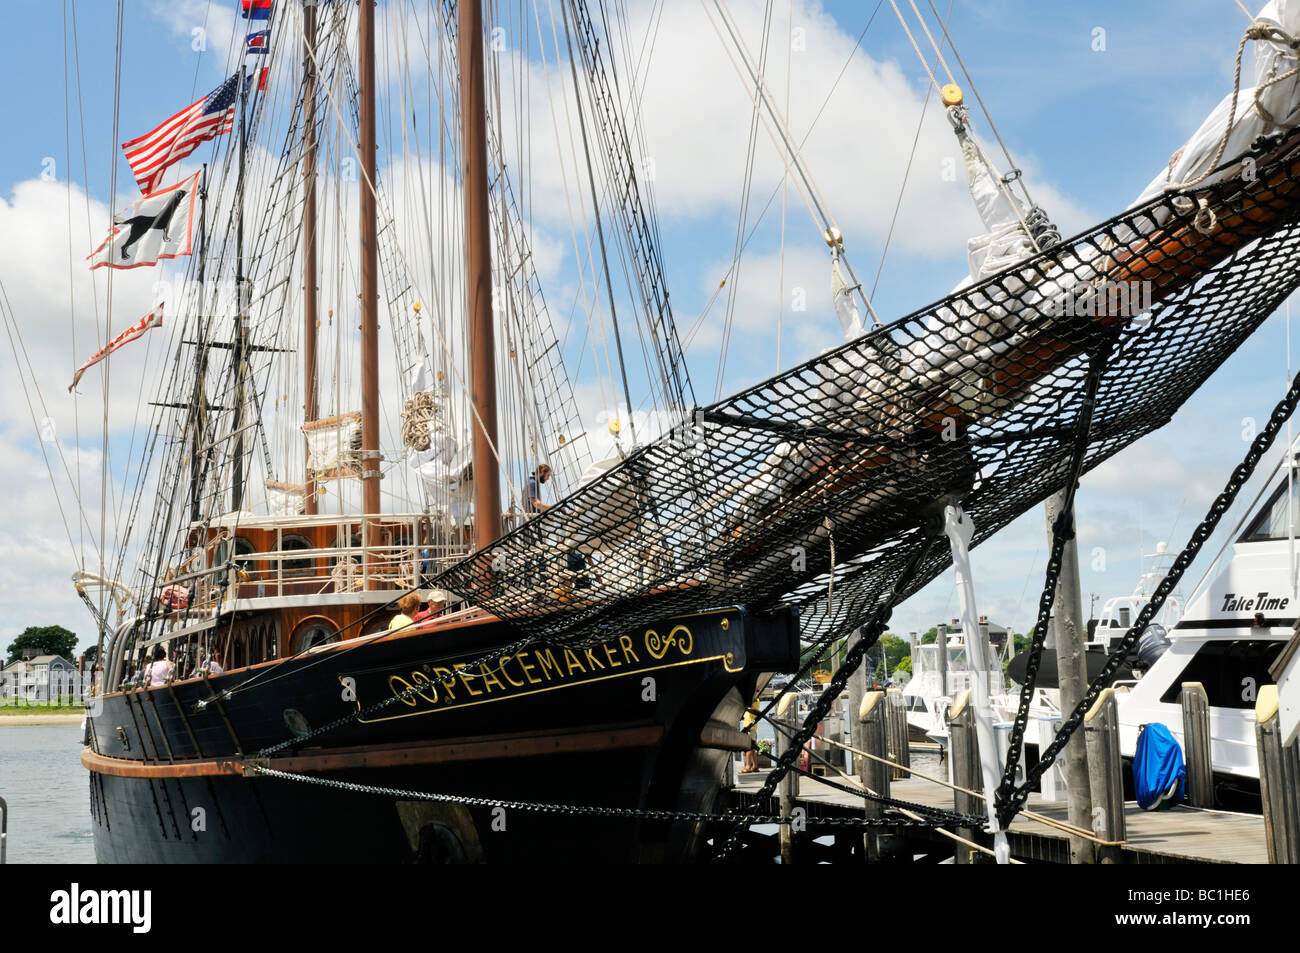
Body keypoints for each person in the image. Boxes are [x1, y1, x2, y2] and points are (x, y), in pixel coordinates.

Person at [740, 707, 759, 773]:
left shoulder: (752, 701)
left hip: (749, 725)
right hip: (752, 726)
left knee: (748, 747)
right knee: (753, 747)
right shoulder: (755, 701)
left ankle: (748, 766)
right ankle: (755, 766)